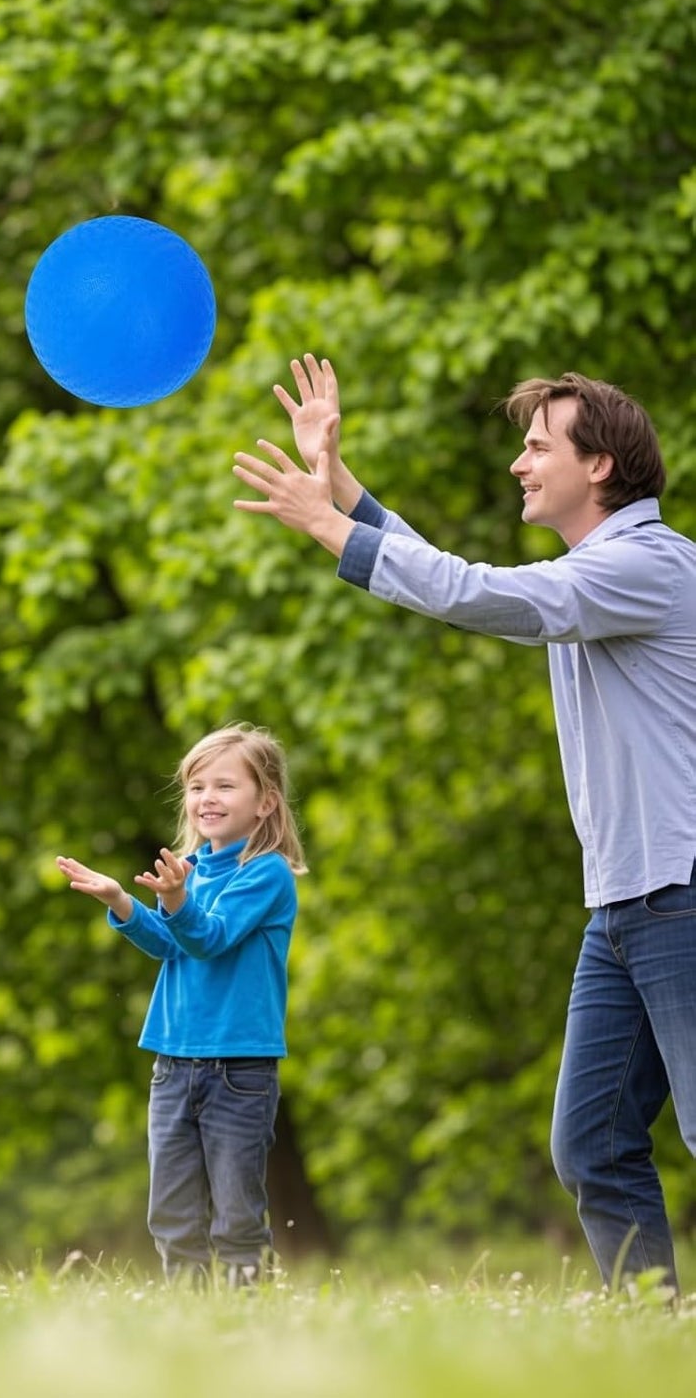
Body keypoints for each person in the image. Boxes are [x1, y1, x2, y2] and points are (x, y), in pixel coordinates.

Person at [232, 353, 696, 1292]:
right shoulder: (596, 570)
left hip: (679, 891)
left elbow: (477, 593)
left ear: (597, 464)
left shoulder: (646, 567)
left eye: (535, 447)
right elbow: (460, 575)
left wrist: (328, 526)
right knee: (592, 1143)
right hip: (621, 905)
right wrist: (339, 480)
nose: (518, 465)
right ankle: (650, 1339)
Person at [56, 723, 305, 1286]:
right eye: (196, 787)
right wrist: (123, 903)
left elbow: (210, 937)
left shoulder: (265, 874)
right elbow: (173, 944)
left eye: (224, 786)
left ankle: (245, 1317)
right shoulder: (192, 871)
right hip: (172, 1065)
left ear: (265, 802)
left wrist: (174, 901)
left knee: (237, 1217)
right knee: (171, 1213)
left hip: (239, 1070)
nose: (206, 799)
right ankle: (187, 1319)